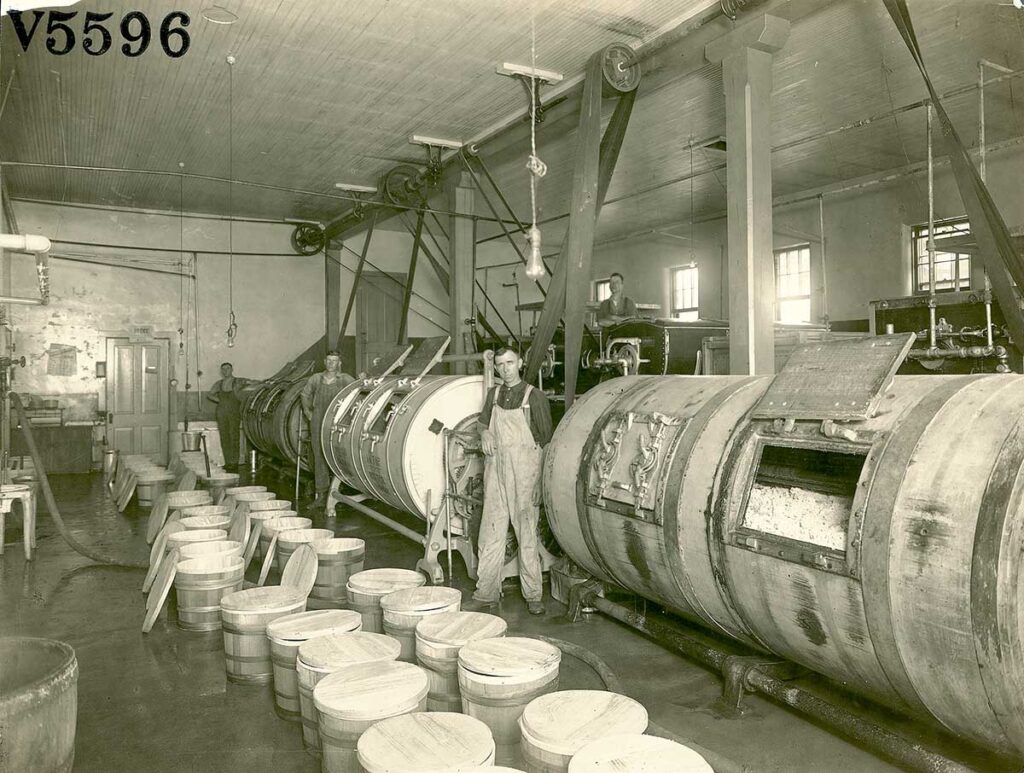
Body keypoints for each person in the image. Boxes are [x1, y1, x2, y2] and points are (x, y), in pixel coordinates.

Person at [468, 347, 553, 616]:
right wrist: (483, 434)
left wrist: (540, 484)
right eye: (501, 364)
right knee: (490, 531)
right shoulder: (493, 395)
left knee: (526, 534)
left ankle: (533, 595)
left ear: (520, 363)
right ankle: (486, 592)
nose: (505, 369)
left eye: (510, 363)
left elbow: (548, 444)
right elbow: (482, 424)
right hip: (495, 472)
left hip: (525, 475)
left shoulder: (534, 397)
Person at [301, 350, 355, 504]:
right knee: (319, 455)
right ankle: (321, 493)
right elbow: (305, 395)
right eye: (329, 360)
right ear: (324, 362)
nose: (332, 363)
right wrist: (307, 411)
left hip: (338, 422)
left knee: (339, 453)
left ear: (339, 363)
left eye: (335, 360)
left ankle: (340, 489)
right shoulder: (316, 379)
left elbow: (359, 390)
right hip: (318, 420)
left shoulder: (345, 379)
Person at [207, 362, 255, 470]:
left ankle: (234, 462)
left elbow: (251, 382)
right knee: (224, 437)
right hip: (221, 413)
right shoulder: (218, 384)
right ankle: (228, 461)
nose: (225, 371)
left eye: (227, 368)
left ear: (232, 369)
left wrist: (264, 383)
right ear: (221, 371)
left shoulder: (238, 381)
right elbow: (209, 394)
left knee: (234, 436)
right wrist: (219, 400)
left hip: (234, 412)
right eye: (223, 369)